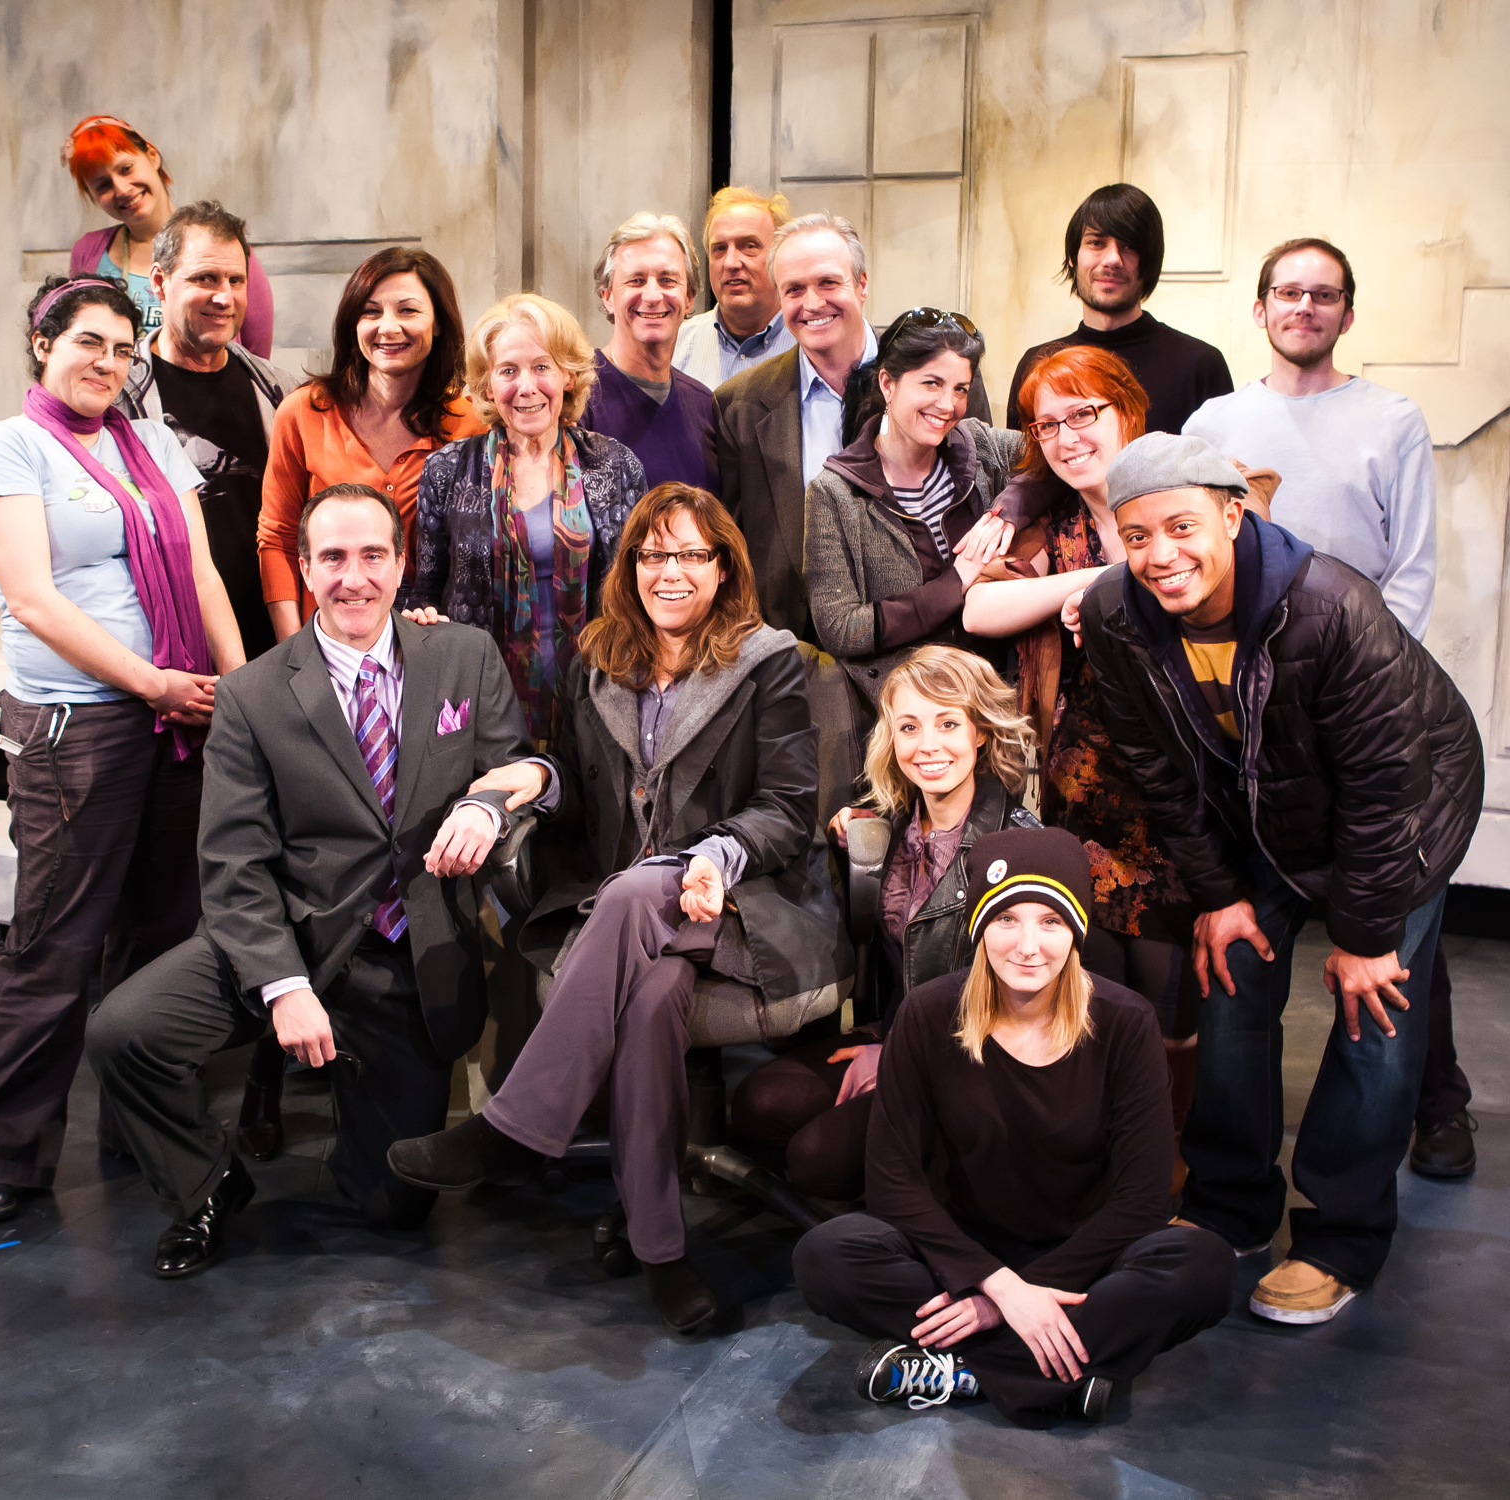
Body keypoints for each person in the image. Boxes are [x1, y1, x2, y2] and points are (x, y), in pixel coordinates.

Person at [387, 484, 849, 1336]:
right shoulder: (597, 660)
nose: (671, 572)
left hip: (742, 902)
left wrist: (710, 858)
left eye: (692, 555)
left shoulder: (769, 660)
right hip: (634, 922)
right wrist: (534, 777)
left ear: (723, 568)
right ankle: (662, 1251)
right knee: (652, 999)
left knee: (639, 888)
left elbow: (788, 810)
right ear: (631, 566)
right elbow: (577, 785)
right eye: (654, 554)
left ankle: (513, 1128)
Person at [86, 483, 548, 1276]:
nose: (353, 577)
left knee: (394, 1205)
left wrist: (488, 803)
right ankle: (206, 1183)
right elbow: (233, 863)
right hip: (286, 935)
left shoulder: (464, 655)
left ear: (401, 564)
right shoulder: (252, 695)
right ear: (304, 568)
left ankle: (358, 1103)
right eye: (333, 557)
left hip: (404, 955)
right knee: (122, 1032)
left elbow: (523, 765)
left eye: (372, 555)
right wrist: (282, 984)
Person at [1079, 432, 1484, 1325]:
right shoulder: (1115, 613)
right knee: (1230, 980)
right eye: (1136, 535)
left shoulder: (1331, 606)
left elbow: (1384, 786)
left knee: (1374, 1018)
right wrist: (1220, 896)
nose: (1159, 554)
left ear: (1233, 515)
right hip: (1269, 808)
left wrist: (1364, 938)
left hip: (1406, 811)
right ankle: (1230, 1207)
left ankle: (1343, 1236)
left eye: (1181, 527)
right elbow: (1158, 768)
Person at [0, 275, 245, 1225]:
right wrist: (153, 683)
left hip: (182, 718)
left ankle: (140, 1125)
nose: (107, 364)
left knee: (163, 937)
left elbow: (202, 573)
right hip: (78, 727)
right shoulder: (8, 445)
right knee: (55, 944)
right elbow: (33, 599)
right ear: (43, 343)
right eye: (88, 343)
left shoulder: (151, 441)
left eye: (122, 349)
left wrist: (241, 693)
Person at [1181, 239, 1472, 1177]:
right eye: (1287, 292)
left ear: (1347, 312)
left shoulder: (1390, 418)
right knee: (1248, 961)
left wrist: (1368, 676)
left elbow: (1412, 566)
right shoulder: (1219, 419)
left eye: (1323, 294)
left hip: (1362, 703)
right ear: (1260, 308)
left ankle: (1428, 1115)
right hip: (1252, 717)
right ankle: (1233, 1185)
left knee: (1391, 931)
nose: (1303, 307)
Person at [793, 827, 1234, 1427]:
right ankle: (1059, 1373)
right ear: (979, 928)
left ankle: (967, 1369)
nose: (1028, 946)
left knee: (1204, 1265)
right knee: (826, 1256)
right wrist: (995, 1284)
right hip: (963, 1252)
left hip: (1083, 1260)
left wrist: (1003, 1303)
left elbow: (1143, 1201)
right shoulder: (928, 1014)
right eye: (1006, 920)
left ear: (1076, 932)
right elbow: (892, 1182)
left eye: (1050, 922)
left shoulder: (1125, 1023)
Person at [964, 349, 1235, 1151]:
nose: (1066, 436)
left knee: (1175, 987)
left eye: (1083, 414)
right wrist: (1086, 586)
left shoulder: (1182, 498)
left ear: (1129, 409)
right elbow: (977, 610)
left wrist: (1119, 590)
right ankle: (1099, 1145)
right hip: (1083, 788)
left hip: (1185, 785)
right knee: (1097, 980)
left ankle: (1169, 1149)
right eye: (1047, 424)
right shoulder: (1051, 525)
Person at [728, 646, 1039, 1200]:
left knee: (815, 1159)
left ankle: (936, 1193)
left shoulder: (1017, 844)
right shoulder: (885, 827)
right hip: (894, 1028)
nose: (927, 745)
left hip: (973, 1060)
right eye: (909, 727)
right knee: (758, 1105)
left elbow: (1023, 1010)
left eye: (948, 723)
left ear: (980, 733)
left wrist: (901, 1060)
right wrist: (845, 840)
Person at [402, 293, 646, 749]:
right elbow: (425, 592)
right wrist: (420, 615)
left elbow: (638, 591)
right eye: (508, 371)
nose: (526, 386)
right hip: (480, 707)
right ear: (487, 385)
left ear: (568, 375)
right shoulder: (447, 470)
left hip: (601, 700)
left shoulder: (615, 466)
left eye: (541, 367)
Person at [257, 247, 486, 640]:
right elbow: (277, 538)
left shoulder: (471, 423)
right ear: (353, 323)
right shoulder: (303, 412)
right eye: (371, 312)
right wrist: (293, 647)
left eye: (408, 310)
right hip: (325, 636)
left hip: (430, 639)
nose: (388, 327)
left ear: (438, 324)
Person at [115, 202, 302, 664]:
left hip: (274, 641)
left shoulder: (281, 390)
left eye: (235, 280)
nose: (224, 297)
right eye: (205, 278)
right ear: (159, 282)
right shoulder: (117, 398)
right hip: (170, 652)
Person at [805, 309, 1020, 701]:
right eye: (932, 383)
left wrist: (1011, 509)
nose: (948, 404)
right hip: (902, 707)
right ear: (888, 383)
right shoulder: (835, 492)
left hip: (994, 697)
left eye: (960, 389)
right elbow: (840, 628)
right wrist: (957, 581)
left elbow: (1052, 460)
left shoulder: (980, 445)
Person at [712, 213, 878, 641]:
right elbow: (734, 554)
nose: (813, 303)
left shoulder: (939, 380)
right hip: (796, 656)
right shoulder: (739, 406)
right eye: (795, 290)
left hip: (920, 654)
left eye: (828, 283)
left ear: (862, 284)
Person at [1002, 184, 1231, 437]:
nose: (1113, 259)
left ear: (1150, 260)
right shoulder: (1037, 365)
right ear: (1073, 257)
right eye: (1096, 243)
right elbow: (1021, 461)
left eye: (1129, 245)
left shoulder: (1201, 366)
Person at [60, 115, 276, 358]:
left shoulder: (225, 246)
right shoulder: (88, 252)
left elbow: (256, 356)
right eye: (103, 186)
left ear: (152, 155)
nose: (121, 189)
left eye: (126, 169)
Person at [581, 212, 721, 495]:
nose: (653, 296)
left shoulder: (705, 407)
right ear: (607, 296)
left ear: (689, 297)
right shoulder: (577, 396)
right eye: (636, 280)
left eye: (667, 280)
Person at [671, 186, 796, 389]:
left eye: (749, 246)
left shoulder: (811, 346)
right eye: (720, 249)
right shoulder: (674, 348)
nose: (730, 263)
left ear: (780, 257)